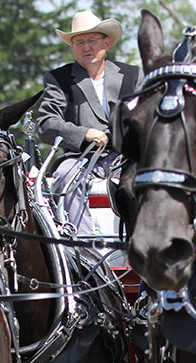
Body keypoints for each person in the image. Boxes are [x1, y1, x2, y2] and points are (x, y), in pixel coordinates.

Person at [37, 10, 141, 237]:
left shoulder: (132, 75)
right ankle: (83, 249)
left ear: (106, 42)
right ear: (72, 47)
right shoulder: (59, 79)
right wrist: (84, 133)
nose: (86, 48)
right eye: (80, 42)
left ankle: (143, 247)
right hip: (81, 157)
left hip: (126, 156)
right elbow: (46, 123)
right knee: (65, 176)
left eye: (92, 41)